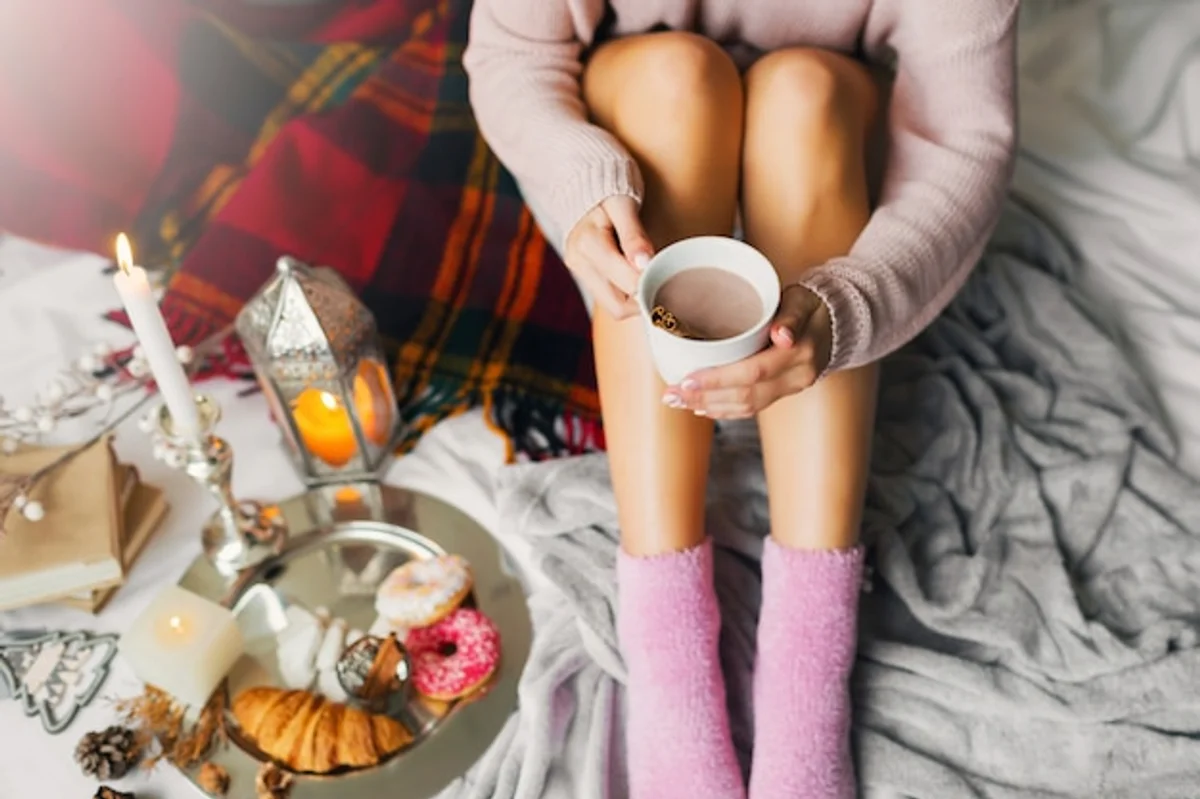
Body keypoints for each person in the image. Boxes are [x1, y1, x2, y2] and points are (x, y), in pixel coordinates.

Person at [464, 2, 1017, 797]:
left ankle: (807, 685)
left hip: (828, 148)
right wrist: (578, 183)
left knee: (803, 92)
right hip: (645, 142)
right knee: (676, 77)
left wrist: (849, 305)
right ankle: (667, 661)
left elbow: (967, 140)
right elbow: (514, 56)